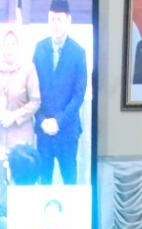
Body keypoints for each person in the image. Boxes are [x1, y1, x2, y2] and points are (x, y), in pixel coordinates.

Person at [33, 0, 88, 185]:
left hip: (67, 130)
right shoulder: (39, 48)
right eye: (52, 19)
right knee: (44, 182)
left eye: (59, 20)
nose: (55, 24)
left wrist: (59, 121)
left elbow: (79, 94)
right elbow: (33, 90)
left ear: (68, 20)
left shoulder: (78, 52)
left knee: (70, 182)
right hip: (43, 130)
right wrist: (42, 120)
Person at [0, 29, 39, 159]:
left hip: (21, 136)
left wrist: (14, 116)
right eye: (6, 44)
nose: (9, 49)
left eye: (13, 44)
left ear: (18, 47)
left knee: (20, 170)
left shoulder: (28, 69)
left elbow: (35, 101)